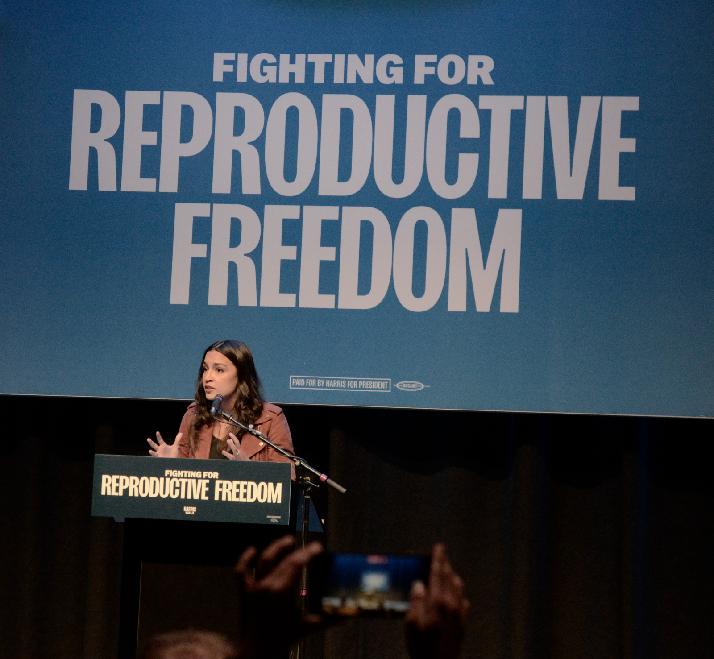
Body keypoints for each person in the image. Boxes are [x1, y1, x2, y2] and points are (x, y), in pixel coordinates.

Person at [146, 340, 295, 476]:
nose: (207, 377)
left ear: (242, 376)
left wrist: (251, 472)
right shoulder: (194, 415)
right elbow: (184, 486)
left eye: (219, 370)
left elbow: (287, 480)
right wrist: (171, 465)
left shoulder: (270, 419)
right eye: (205, 369)